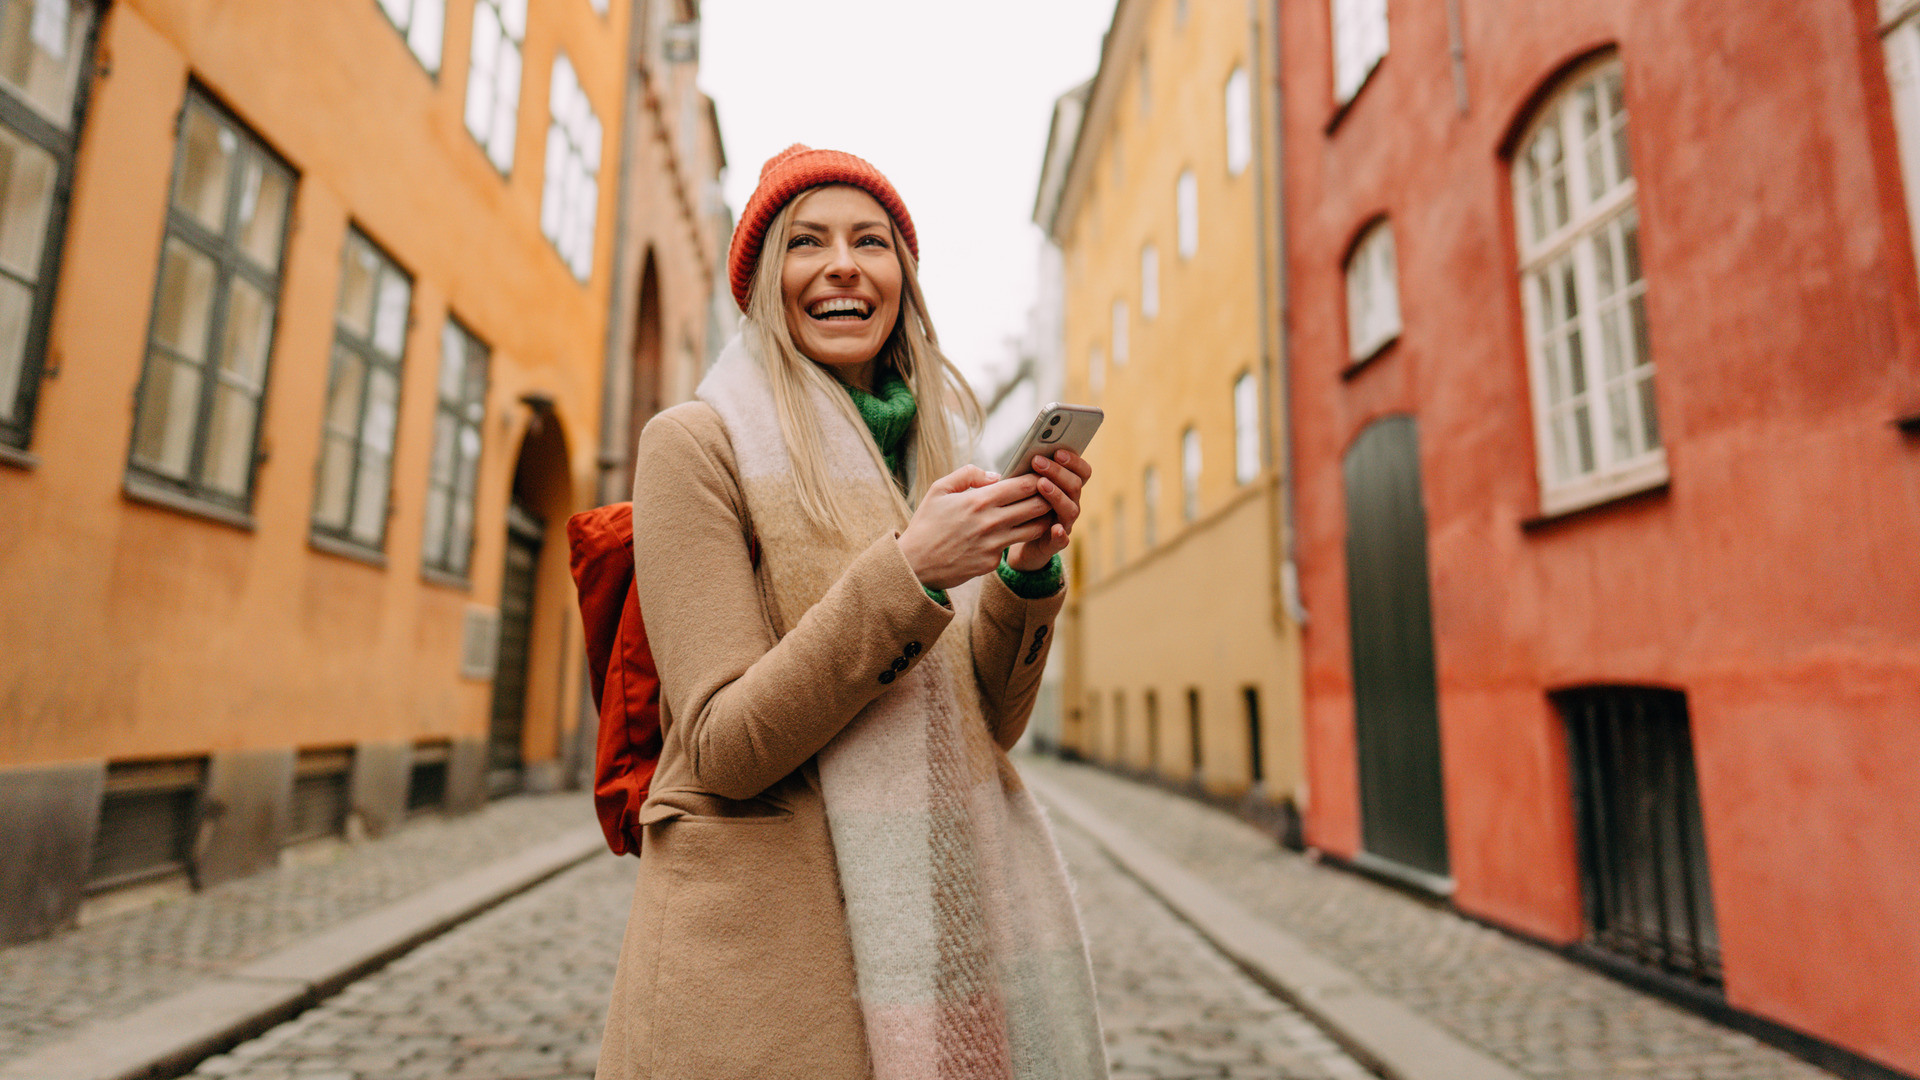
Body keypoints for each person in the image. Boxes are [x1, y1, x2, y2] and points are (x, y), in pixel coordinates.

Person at [595, 144, 1107, 1080]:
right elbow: (722, 745)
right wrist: (910, 571)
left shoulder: (930, 458)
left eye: (871, 241)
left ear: (900, 282)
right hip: (765, 970)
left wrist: (1026, 574)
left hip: (937, 949)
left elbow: (988, 726)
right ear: (762, 284)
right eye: (807, 243)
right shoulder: (694, 448)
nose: (842, 264)